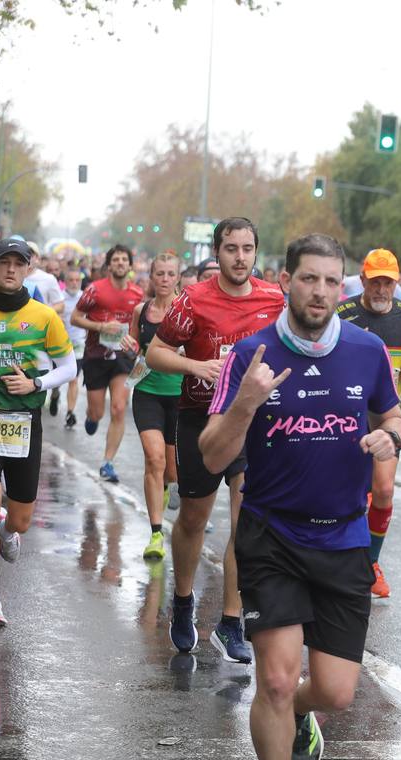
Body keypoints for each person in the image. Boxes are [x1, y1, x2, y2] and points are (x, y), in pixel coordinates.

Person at [201, 232, 401, 760]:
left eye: (329, 281)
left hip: (344, 540)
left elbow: (391, 415)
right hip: (272, 536)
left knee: (337, 690)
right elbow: (211, 455)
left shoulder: (368, 351)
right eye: (308, 279)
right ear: (285, 280)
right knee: (279, 682)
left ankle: (299, 720)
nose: (319, 291)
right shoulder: (250, 355)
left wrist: (390, 438)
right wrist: (246, 405)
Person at [146, 217, 285, 664]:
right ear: (217, 252)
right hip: (201, 421)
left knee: (246, 521)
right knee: (191, 519)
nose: (239, 257)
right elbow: (155, 353)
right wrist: (196, 367)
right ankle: (184, 602)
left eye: (247, 248)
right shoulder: (194, 300)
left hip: (254, 423)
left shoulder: (274, 300)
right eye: (231, 248)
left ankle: (230, 620)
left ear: (256, 252)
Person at [0, 239, 79, 627]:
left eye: (19, 263)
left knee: (20, 519)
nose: (10, 269)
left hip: (23, 423)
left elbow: (69, 367)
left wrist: (36, 385)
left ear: (28, 269)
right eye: (4, 263)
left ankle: (7, 530)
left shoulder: (44, 316)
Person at [336, 248, 401, 599]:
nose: (381, 289)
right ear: (362, 281)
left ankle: (370, 564)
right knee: (352, 492)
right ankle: (340, 557)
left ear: (396, 284)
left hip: (388, 414)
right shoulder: (342, 313)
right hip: (344, 414)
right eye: (375, 282)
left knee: (384, 489)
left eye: (387, 282)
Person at [127, 252, 184, 560]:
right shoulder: (141, 310)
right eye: (159, 273)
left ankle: (169, 485)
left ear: (178, 277)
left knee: (172, 470)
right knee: (154, 458)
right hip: (147, 391)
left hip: (179, 395)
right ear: (151, 277)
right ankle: (156, 535)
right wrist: (129, 344)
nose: (164, 279)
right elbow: (135, 344)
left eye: (169, 274)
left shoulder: (187, 311)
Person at [71, 244, 143, 483]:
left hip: (123, 358)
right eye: (116, 260)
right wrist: (101, 327)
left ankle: (107, 462)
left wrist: (137, 346)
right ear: (109, 265)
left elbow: (140, 327)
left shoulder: (137, 295)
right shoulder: (95, 290)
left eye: (125, 259)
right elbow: (75, 318)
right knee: (98, 411)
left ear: (130, 266)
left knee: (119, 408)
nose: (121, 263)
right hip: (95, 356)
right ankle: (92, 418)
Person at [57, 265, 86, 428]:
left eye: (77, 280)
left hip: (79, 345)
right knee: (57, 381)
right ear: (65, 281)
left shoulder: (85, 298)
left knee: (73, 379)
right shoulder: (59, 299)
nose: (74, 283)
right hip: (59, 345)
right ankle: (54, 395)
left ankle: (70, 412)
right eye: (71, 280)